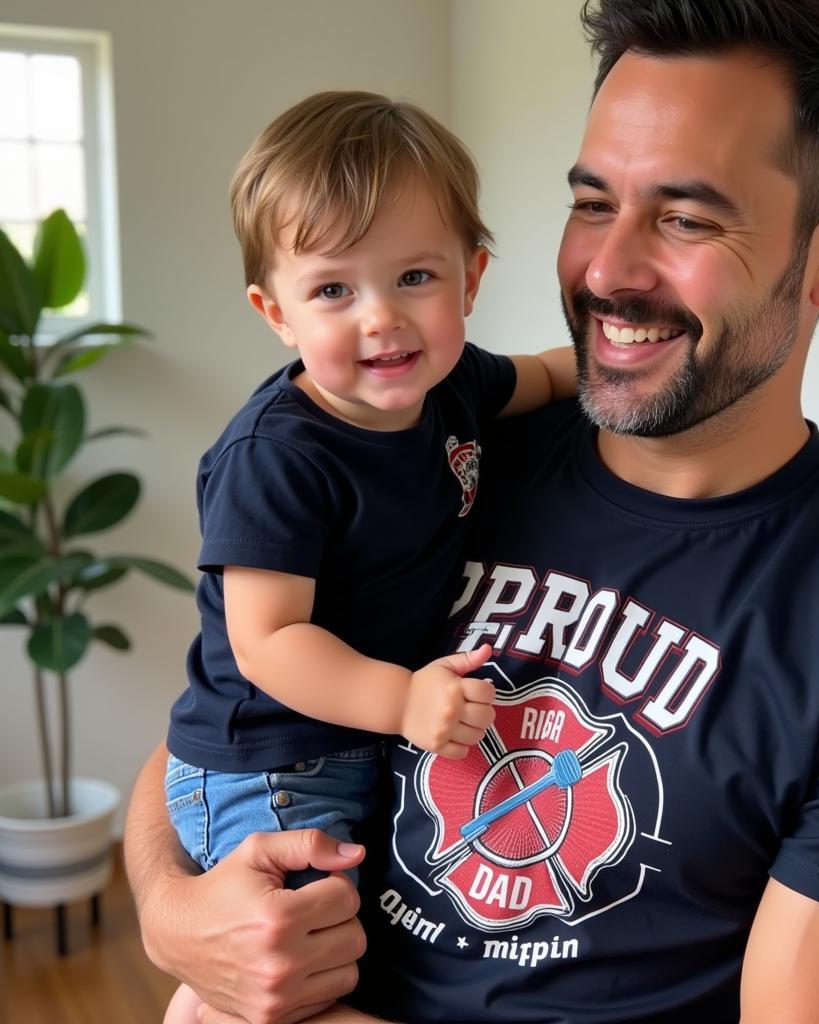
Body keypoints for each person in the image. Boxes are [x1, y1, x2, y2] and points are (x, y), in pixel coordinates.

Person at [128, 2, 819, 1023]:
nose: (606, 270)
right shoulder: (437, 453)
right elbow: (221, 717)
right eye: (594, 204)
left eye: (684, 218)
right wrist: (169, 911)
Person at [159, 91, 575, 1023]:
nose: (382, 318)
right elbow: (266, 641)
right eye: (334, 290)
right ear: (277, 312)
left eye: (415, 278)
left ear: (472, 279)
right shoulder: (278, 457)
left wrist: (615, 359)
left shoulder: (454, 383)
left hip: (343, 744)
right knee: (299, 964)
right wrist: (403, 700)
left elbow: (547, 376)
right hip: (269, 757)